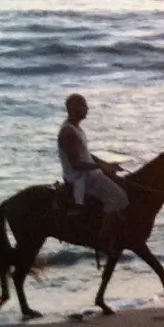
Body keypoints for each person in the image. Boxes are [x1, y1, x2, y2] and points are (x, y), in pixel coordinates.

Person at [57, 93, 128, 257]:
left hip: (88, 174)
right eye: (83, 106)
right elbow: (76, 164)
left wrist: (107, 165)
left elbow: (86, 155)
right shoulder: (69, 133)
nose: (87, 109)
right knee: (119, 198)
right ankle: (102, 240)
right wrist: (102, 166)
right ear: (74, 109)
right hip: (80, 177)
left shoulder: (76, 128)